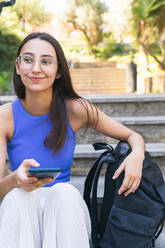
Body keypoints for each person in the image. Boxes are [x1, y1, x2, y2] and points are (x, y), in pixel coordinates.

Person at [0, 32, 145, 248]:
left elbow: (133, 136)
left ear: (59, 71)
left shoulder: (76, 109)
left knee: (64, 194)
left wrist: (137, 155)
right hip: (21, 214)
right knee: (18, 197)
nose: (36, 68)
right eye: (28, 60)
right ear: (18, 66)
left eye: (46, 61)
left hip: (63, 214)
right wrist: (15, 180)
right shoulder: (5, 117)